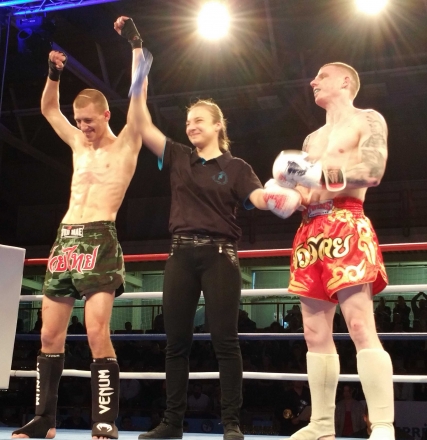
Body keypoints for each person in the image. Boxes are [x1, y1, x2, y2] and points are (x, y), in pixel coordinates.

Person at [127, 20, 301, 440]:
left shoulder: (237, 167)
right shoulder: (178, 156)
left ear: (218, 126)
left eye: (199, 121)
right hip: (180, 255)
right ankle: (172, 423)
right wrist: (137, 53)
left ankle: (232, 424)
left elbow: (258, 198)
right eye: (188, 121)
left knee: (225, 341)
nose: (191, 126)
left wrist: (282, 195)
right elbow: (141, 123)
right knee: (176, 343)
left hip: (221, 256)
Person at [12, 16, 148, 440]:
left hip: (100, 239)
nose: (84, 127)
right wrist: (53, 73)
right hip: (65, 241)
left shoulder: (127, 143)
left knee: (95, 331)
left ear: (106, 114)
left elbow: (138, 92)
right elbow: (48, 110)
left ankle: (105, 420)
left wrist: (135, 43)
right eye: (80, 120)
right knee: (49, 334)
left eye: (90, 120)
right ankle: (44, 420)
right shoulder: (76, 142)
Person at [274, 62, 393, 440]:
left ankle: (383, 424)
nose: (313, 81)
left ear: (345, 81)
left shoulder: (367, 119)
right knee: (313, 333)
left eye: (322, 76)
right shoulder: (311, 139)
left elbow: (372, 170)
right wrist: (283, 196)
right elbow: (307, 192)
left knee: (359, 325)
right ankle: (322, 424)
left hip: (347, 222)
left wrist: (317, 175)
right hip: (310, 230)